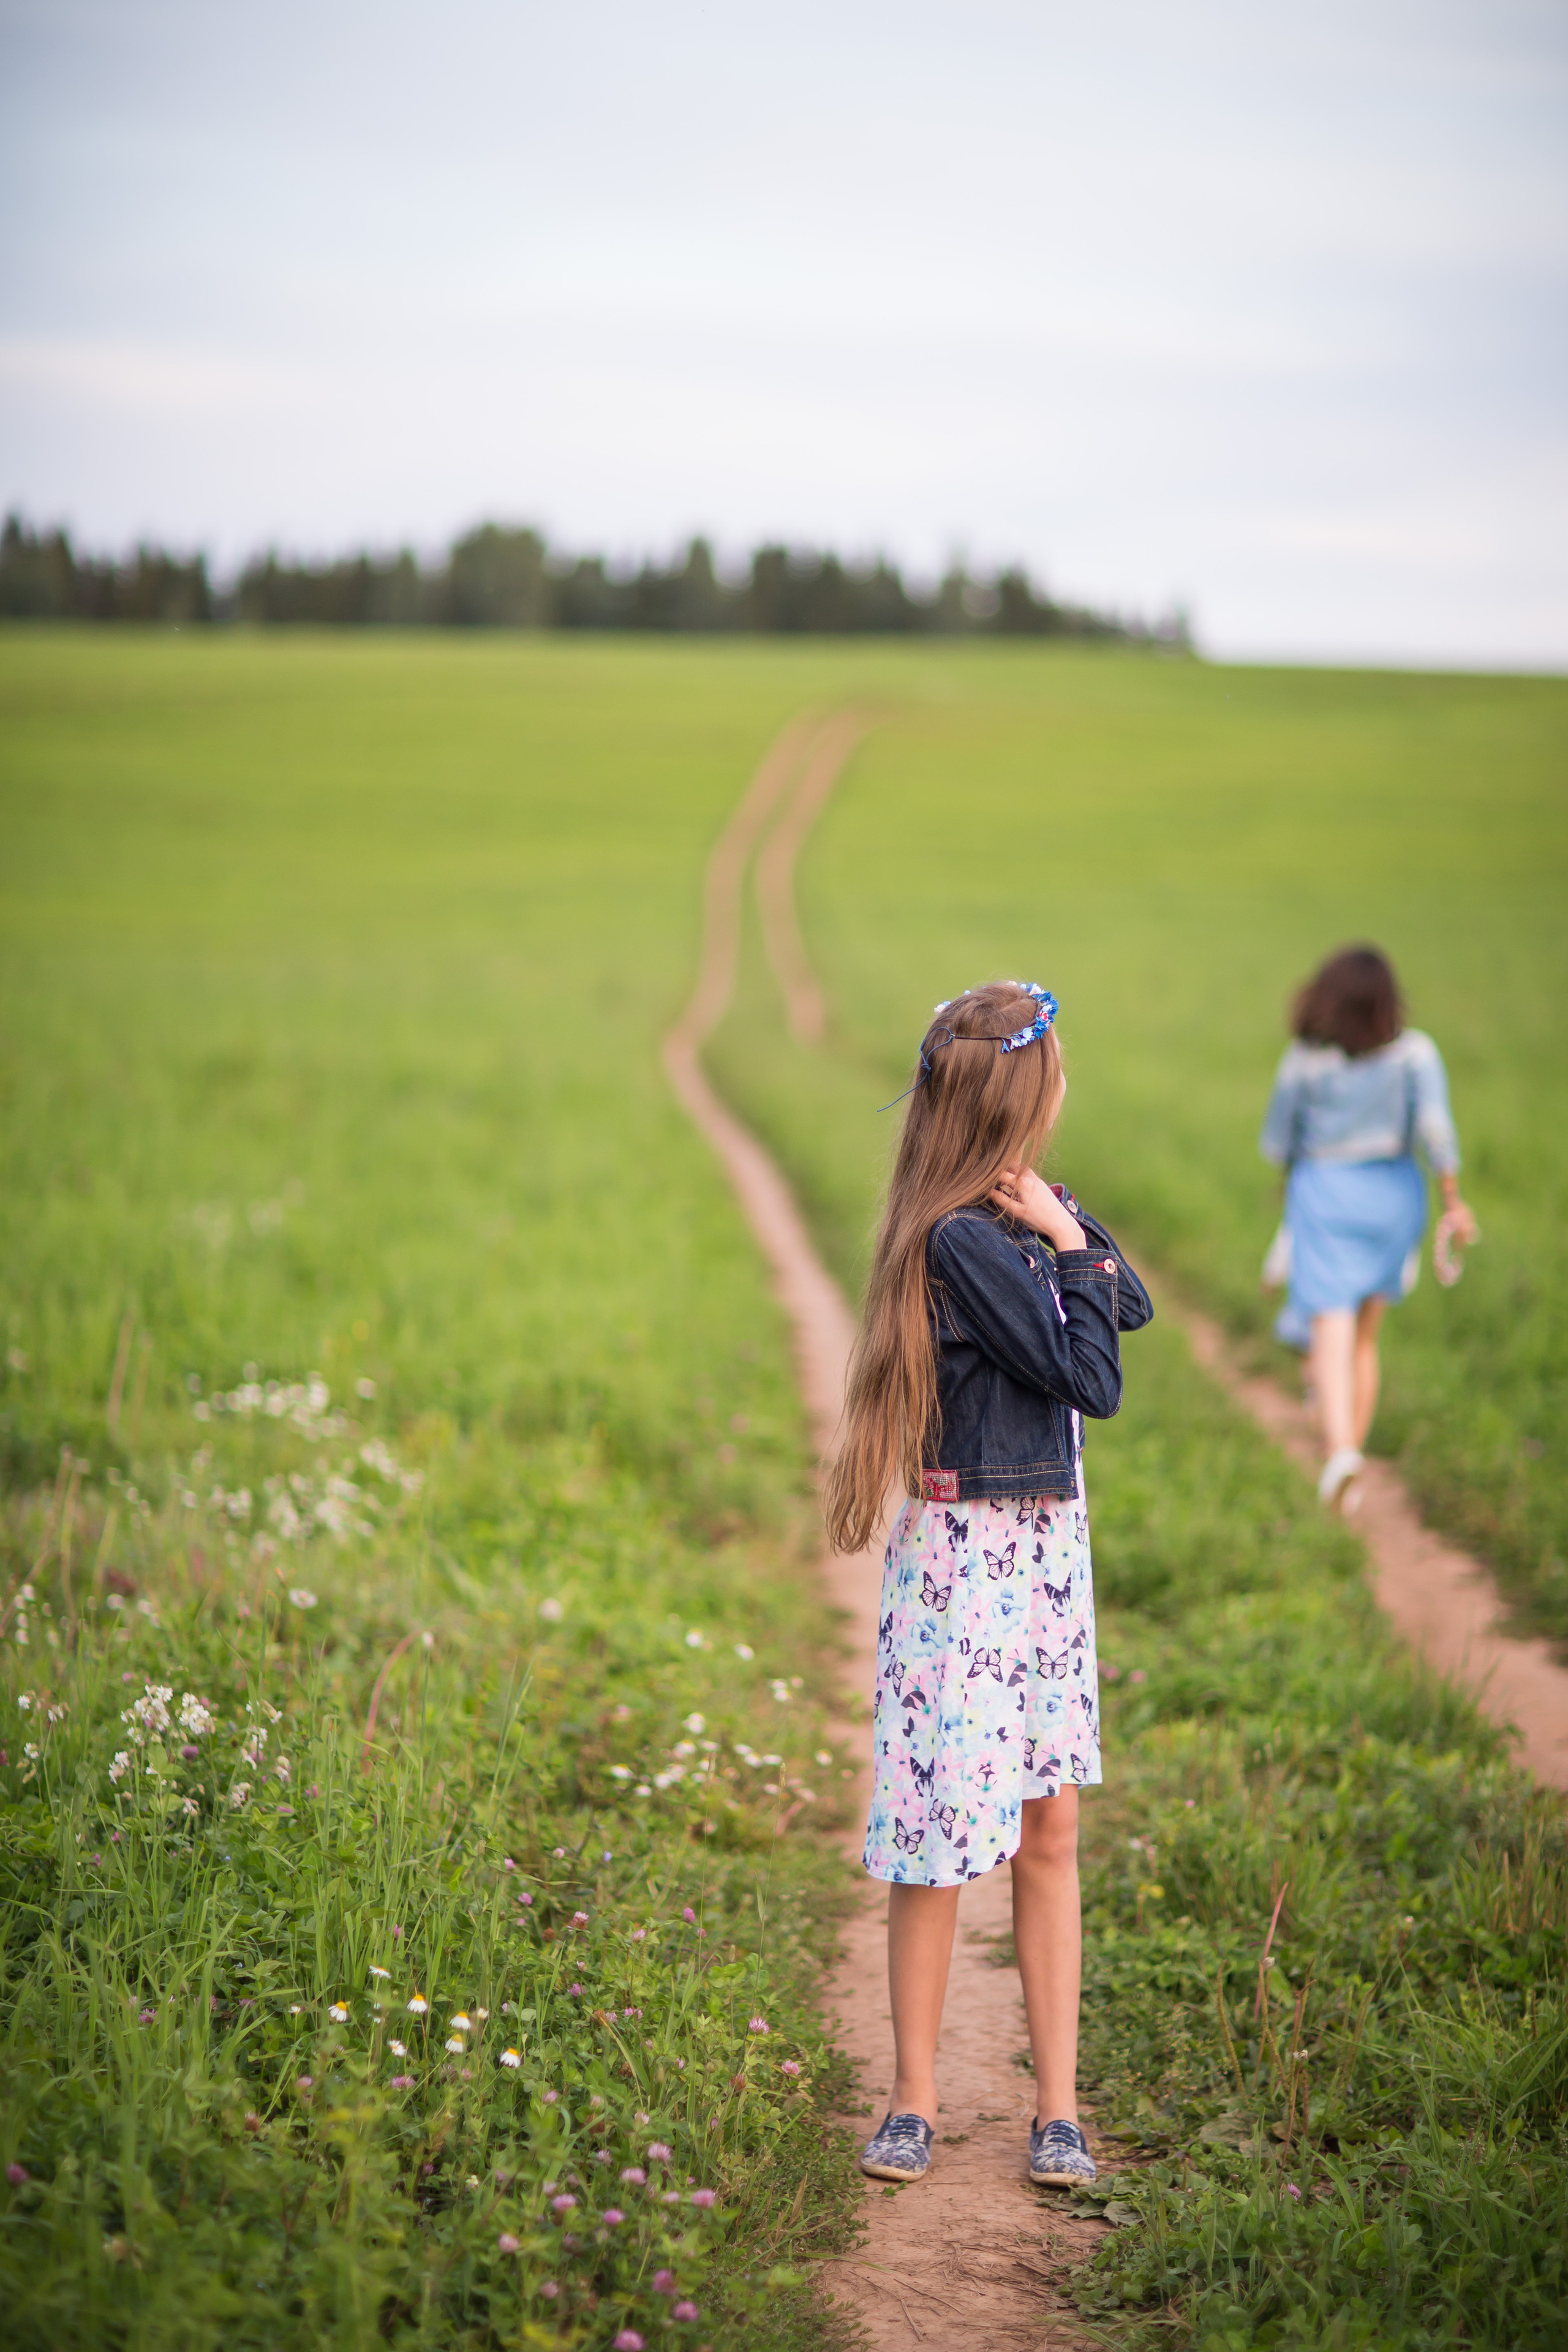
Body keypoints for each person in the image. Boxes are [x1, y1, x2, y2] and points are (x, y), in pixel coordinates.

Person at [824, 980, 1152, 2191]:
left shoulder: (1020, 1213)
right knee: (936, 1840)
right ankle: (911, 2100)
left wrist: (1068, 1235)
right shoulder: (965, 1240)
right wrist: (1070, 1252)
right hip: (969, 1567)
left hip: (1041, 1561)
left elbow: (1133, 1301)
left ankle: (1054, 2113)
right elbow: (1095, 1374)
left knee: (1047, 1829)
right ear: (1024, 1097)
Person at [1259, 944, 1478, 1510]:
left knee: (1329, 1325)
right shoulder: (1416, 1055)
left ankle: (1339, 1454)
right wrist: (1453, 1201)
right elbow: (1436, 1131)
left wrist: (1290, 1187)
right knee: (1365, 1336)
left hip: (1326, 1195)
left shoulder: (1304, 1059)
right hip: (1394, 1198)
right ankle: (1350, 1450)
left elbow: (1280, 1141)